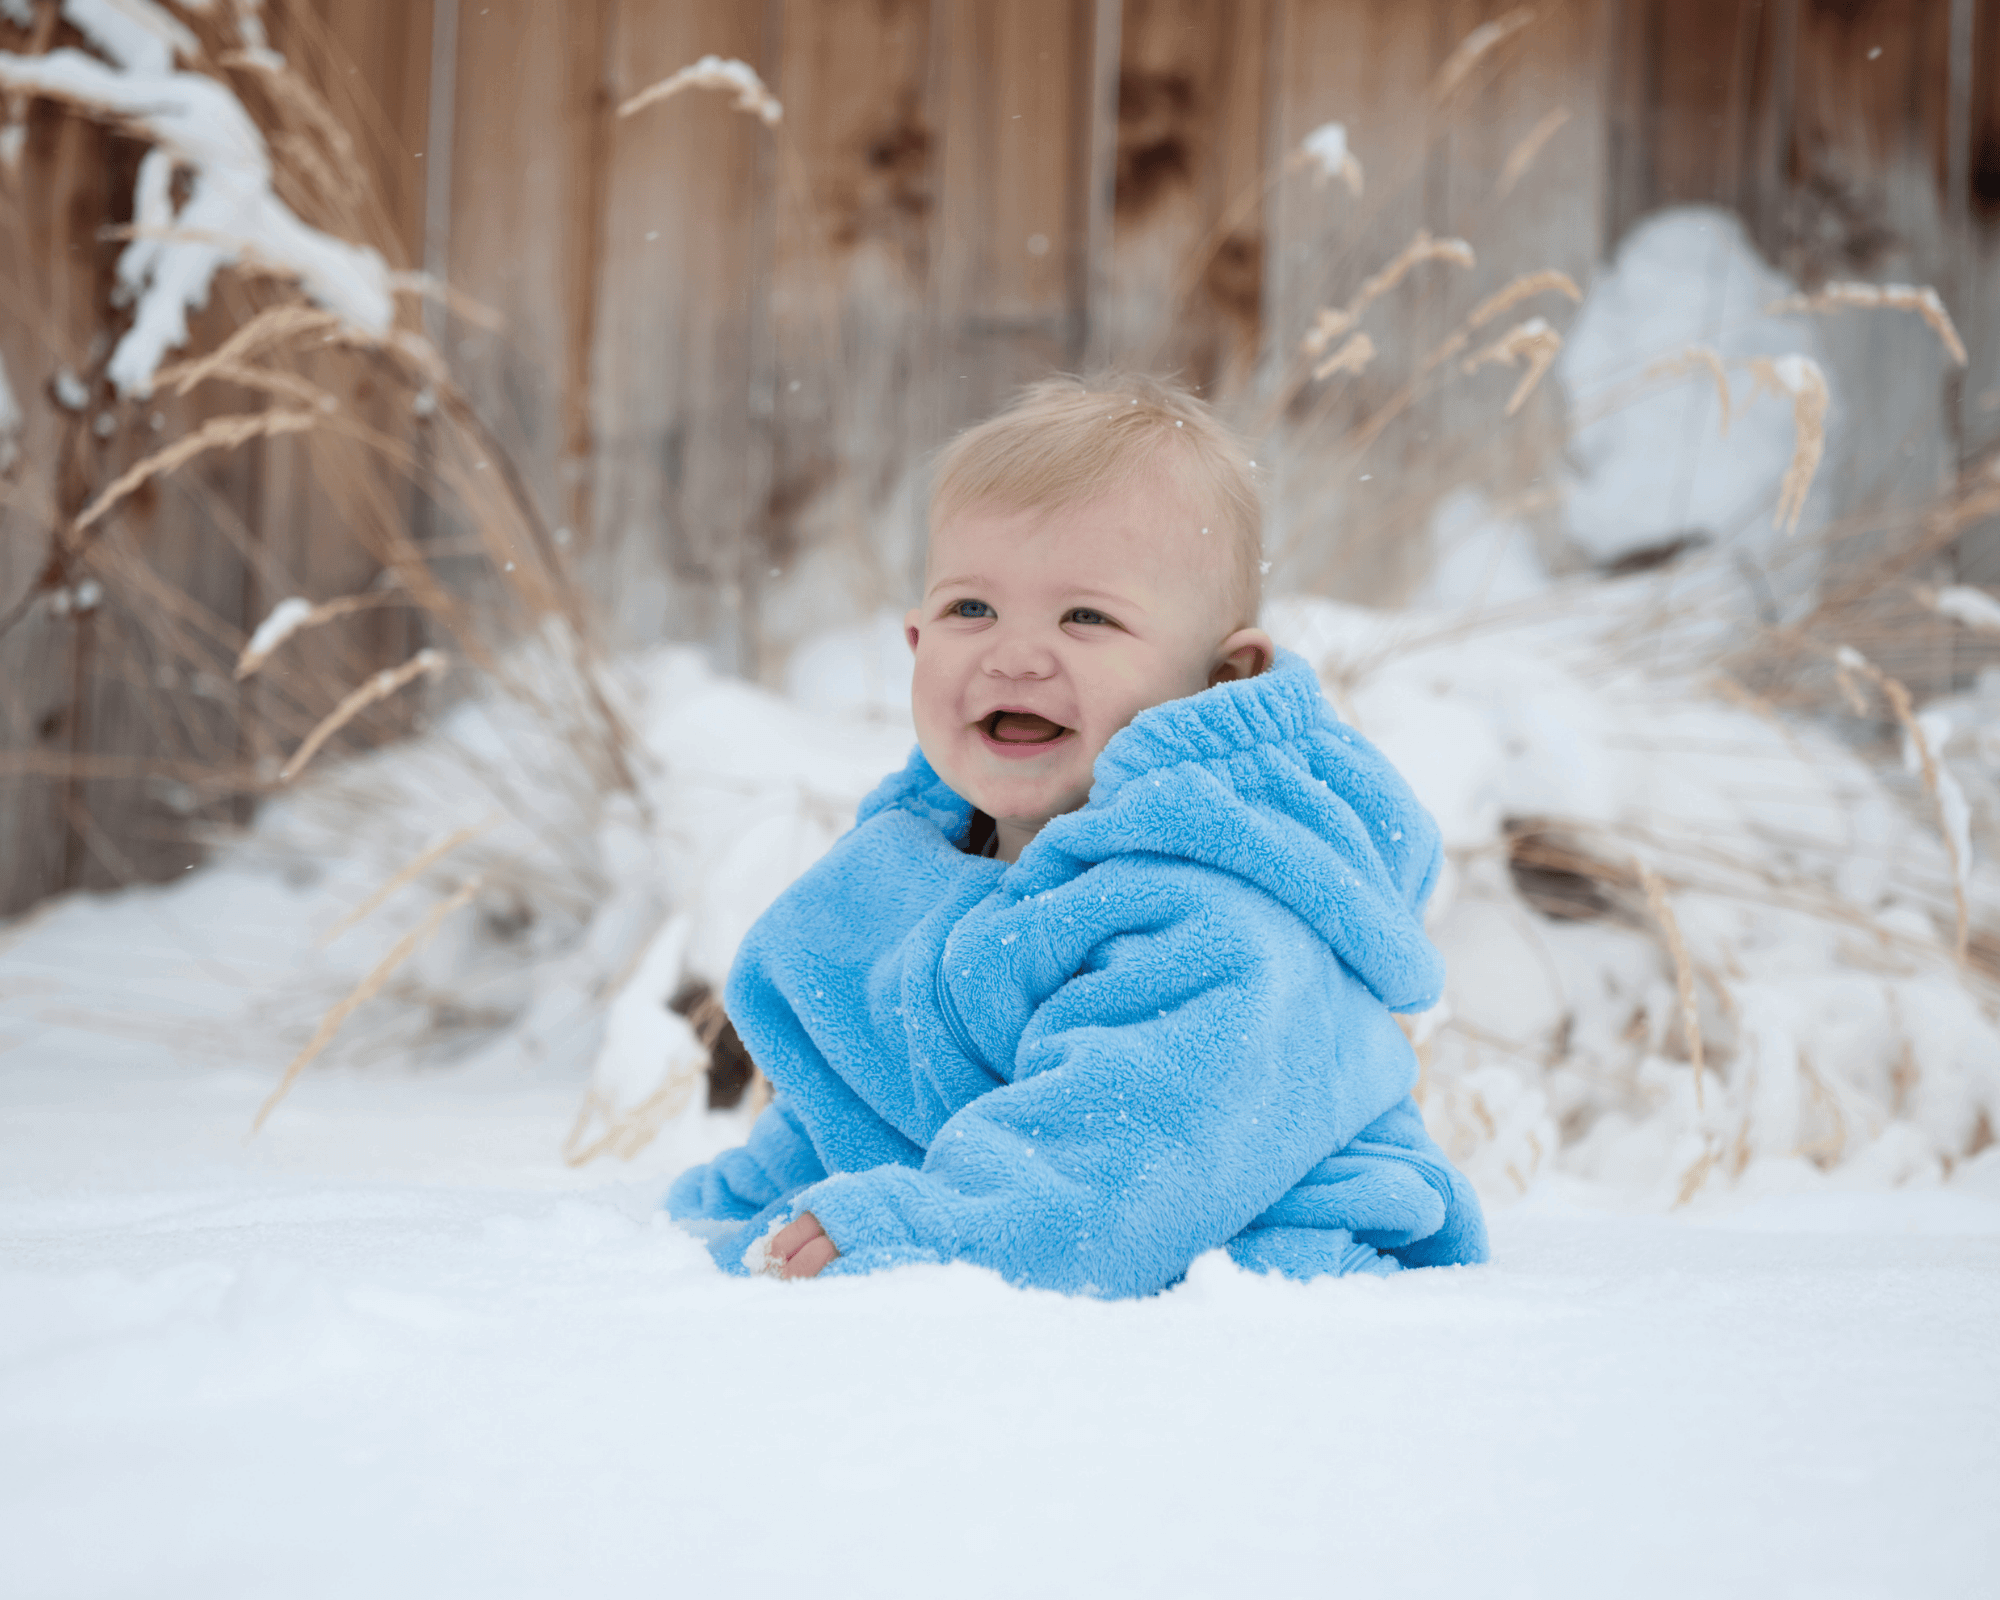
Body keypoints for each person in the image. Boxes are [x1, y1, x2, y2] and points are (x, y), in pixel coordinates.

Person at [666, 372, 1487, 1296]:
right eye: (970, 609)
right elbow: (855, 1105)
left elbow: (1128, 1153)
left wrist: (918, 1231)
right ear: (914, 642)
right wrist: (731, 1214)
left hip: (1251, 1261)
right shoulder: (916, 870)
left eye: (1085, 616)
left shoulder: (1221, 913)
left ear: (1219, 677)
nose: (1013, 653)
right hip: (1013, 1235)